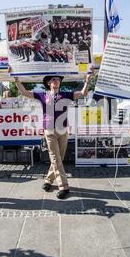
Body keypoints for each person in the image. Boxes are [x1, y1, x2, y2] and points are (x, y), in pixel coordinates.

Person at [13, 71, 92, 199]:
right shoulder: (42, 95)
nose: (56, 81)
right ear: (49, 83)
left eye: (58, 79)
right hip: (49, 130)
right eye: (54, 79)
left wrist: (87, 81)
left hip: (63, 130)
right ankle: (64, 187)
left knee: (58, 158)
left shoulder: (66, 94)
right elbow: (25, 93)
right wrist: (16, 80)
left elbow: (83, 93)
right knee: (55, 158)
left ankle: (48, 180)